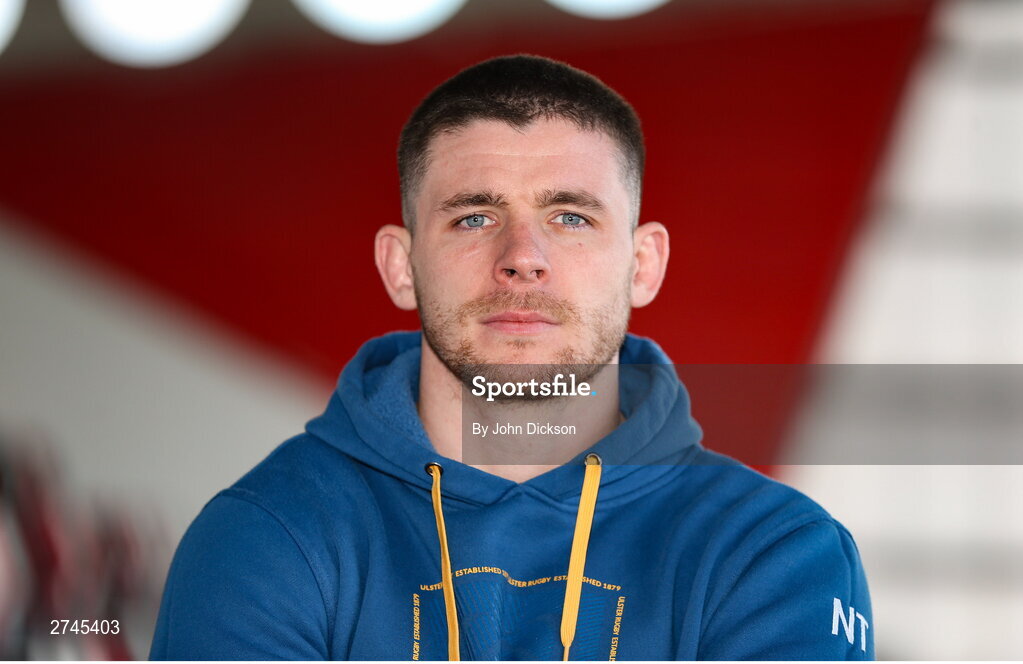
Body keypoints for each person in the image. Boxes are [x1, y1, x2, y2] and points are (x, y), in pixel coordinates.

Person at [150, 55, 873, 661]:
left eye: (570, 217)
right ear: (401, 267)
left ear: (643, 264)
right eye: (474, 216)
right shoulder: (263, 537)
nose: (522, 257)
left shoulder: (773, 552)